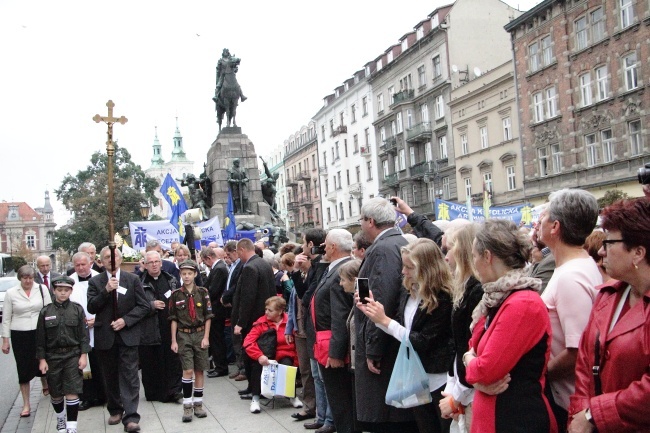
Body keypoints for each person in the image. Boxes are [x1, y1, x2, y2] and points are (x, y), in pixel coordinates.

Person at [463, 219, 557, 433]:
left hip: (515, 419)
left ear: (487, 256)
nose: (474, 263)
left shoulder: (522, 304)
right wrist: (472, 365)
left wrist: (471, 364)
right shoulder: (496, 298)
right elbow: (473, 348)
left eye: (475, 256)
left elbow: (485, 369)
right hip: (497, 416)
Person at [568, 197, 650, 433]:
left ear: (638, 253)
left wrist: (593, 414)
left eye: (609, 242)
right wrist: (580, 416)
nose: (601, 251)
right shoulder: (607, 297)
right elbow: (584, 365)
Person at [359, 238, 454, 433]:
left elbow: (422, 341)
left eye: (410, 267)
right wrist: (376, 315)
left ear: (427, 268)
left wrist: (385, 321)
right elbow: (401, 329)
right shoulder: (408, 289)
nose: (403, 271)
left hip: (440, 378)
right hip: (416, 376)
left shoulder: (444, 297)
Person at [538, 189, 601, 431]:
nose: (538, 222)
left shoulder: (570, 277)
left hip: (568, 403)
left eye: (543, 217)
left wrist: (538, 374)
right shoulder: (575, 267)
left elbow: (579, 352)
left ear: (555, 227)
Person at [354, 197, 416, 431]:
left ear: (370, 221)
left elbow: (381, 299)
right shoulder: (395, 242)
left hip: (385, 348)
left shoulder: (383, 249)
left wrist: (373, 348)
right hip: (391, 342)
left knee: (387, 418)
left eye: (362, 220)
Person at [87, 246, 150, 433]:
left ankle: (131, 417)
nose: (110, 260)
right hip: (105, 337)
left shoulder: (133, 279)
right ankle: (115, 409)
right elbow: (91, 307)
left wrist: (126, 320)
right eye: (107, 257)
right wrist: (106, 291)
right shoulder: (96, 282)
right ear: (101, 261)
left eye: (114, 256)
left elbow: (144, 306)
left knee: (130, 376)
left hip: (127, 336)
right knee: (110, 375)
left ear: (120, 259)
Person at [439, 223, 483, 433]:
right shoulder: (464, 286)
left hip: (470, 389)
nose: (446, 257)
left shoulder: (476, 289)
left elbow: (469, 344)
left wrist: (458, 395)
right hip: (461, 383)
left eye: (450, 249)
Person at [311, 229, 355, 433]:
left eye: (325, 245)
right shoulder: (335, 267)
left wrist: (336, 353)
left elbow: (340, 316)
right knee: (339, 401)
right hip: (326, 341)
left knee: (341, 401)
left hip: (333, 345)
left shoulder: (342, 271)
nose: (323, 249)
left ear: (333, 247)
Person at [36, 276, 90, 433]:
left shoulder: (77, 310)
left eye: (66, 290)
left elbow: (83, 335)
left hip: (72, 355)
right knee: (56, 392)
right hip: (53, 356)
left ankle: (72, 426)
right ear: (54, 291)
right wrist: (42, 359)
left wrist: (83, 355)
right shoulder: (46, 311)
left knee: (72, 390)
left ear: (71, 291)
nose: (62, 293)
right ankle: (60, 418)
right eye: (59, 290)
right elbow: (40, 338)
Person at [1, 265, 51, 417]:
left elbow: (49, 311)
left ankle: (46, 384)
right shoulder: (11, 293)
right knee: (23, 368)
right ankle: (26, 404)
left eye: (30, 278)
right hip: (20, 334)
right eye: (25, 278)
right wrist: (5, 340)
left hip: (40, 332)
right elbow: (6, 318)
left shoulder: (41, 289)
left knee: (43, 362)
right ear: (20, 278)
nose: (28, 281)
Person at [169, 259, 213, 422]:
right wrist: (173, 340)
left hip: (200, 333)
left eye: (189, 273)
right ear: (180, 275)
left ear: (195, 274)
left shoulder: (203, 292)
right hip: (184, 334)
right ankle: (187, 406)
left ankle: (198, 403)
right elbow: (173, 318)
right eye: (183, 274)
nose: (186, 277)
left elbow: (208, 316)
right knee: (187, 370)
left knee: (200, 370)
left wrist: (206, 337)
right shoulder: (176, 295)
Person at [231, 239, 277, 398]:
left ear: (242, 250)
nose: (238, 256)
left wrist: (240, 323)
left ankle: (254, 388)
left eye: (237, 253)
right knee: (260, 353)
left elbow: (247, 298)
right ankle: (253, 387)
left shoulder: (250, 267)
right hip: (265, 317)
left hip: (253, 321)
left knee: (251, 355)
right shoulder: (264, 264)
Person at [139, 250, 182, 403]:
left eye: (156, 261)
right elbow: (135, 305)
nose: (154, 265)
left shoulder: (171, 279)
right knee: (152, 361)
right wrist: (151, 305)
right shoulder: (139, 282)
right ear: (145, 265)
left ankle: (175, 390)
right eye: (150, 262)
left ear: (161, 263)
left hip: (169, 326)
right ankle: (155, 392)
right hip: (149, 328)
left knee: (172, 360)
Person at [243, 296, 298, 414]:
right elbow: (248, 342)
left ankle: (292, 396)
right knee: (258, 366)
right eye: (266, 309)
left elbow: (296, 344)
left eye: (270, 310)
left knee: (287, 365)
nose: (266, 312)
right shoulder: (261, 323)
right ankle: (255, 398)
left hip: (285, 353)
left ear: (280, 311)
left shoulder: (290, 322)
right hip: (265, 354)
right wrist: (259, 355)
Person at [68, 252, 105, 411]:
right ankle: (87, 397)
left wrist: (97, 320)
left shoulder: (101, 278)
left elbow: (107, 302)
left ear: (90, 263)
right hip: (80, 330)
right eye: (77, 265)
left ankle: (104, 395)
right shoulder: (70, 282)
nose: (81, 268)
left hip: (100, 326)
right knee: (84, 365)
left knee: (101, 364)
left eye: (84, 264)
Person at [284, 248, 318, 422]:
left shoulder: (313, 276)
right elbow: (292, 307)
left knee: (316, 372)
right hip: (300, 330)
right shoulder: (299, 278)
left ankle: (318, 407)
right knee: (305, 371)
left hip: (311, 329)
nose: (299, 264)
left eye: (301, 260)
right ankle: (309, 405)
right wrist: (289, 328)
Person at [201, 247, 230, 378]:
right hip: (216, 309)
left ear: (209, 258)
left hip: (217, 309)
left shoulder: (219, 269)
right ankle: (219, 365)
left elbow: (213, 291)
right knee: (215, 338)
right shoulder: (218, 268)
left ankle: (221, 367)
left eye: (205, 261)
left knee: (217, 339)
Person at [221, 240, 245, 380]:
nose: (228, 257)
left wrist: (226, 296)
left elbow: (236, 285)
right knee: (235, 339)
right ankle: (240, 366)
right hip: (231, 306)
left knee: (238, 338)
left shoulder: (241, 265)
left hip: (236, 305)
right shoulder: (233, 266)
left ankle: (243, 368)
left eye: (229, 254)